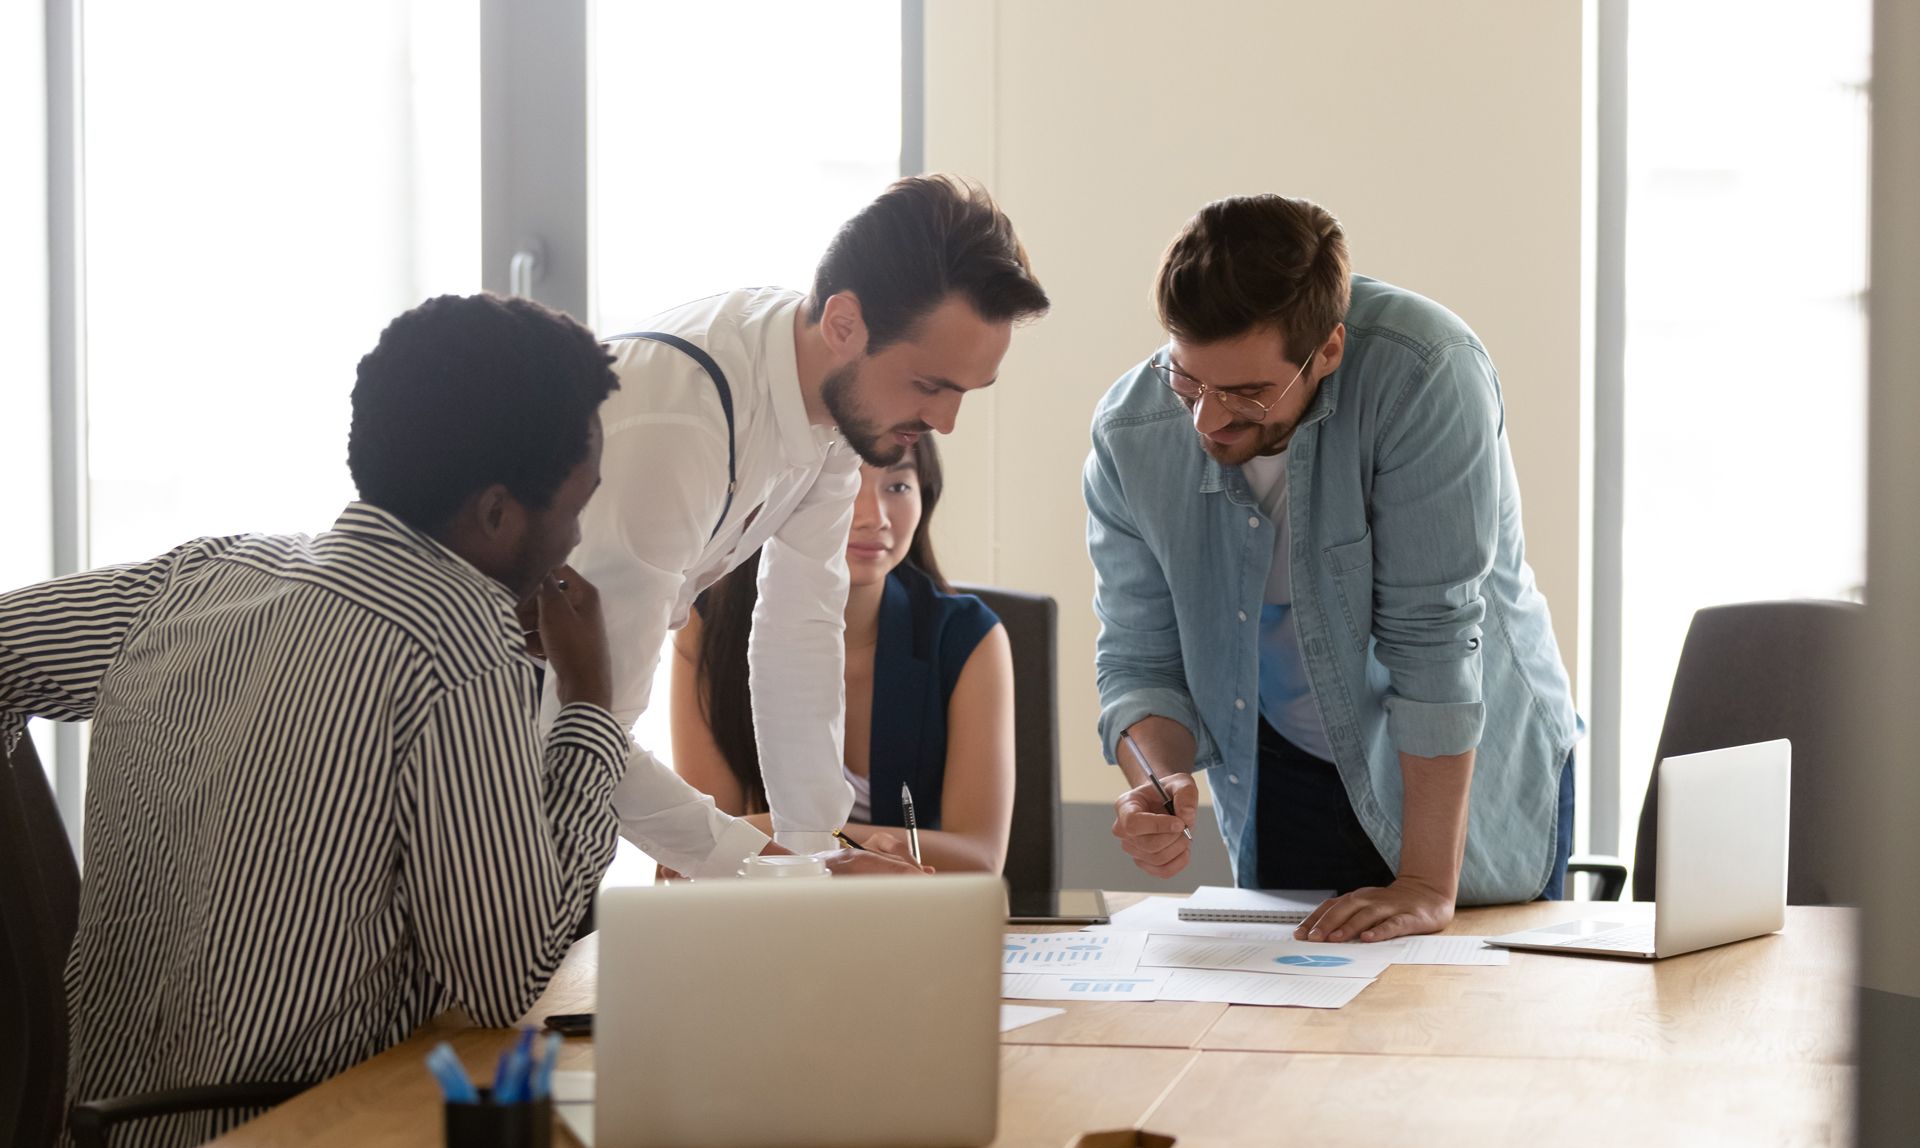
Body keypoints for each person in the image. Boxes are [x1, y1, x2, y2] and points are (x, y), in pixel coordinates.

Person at [2, 293, 627, 1148]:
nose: (579, 536)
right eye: (578, 503)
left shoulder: (207, 573)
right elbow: (503, 974)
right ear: (497, 513)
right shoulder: (454, 648)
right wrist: (590, 710)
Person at [1085, 195, 1580, 944]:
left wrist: (1422, 883)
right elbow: (1138, 657)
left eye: (1248, 393)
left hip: (1460, 772)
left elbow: (1434, 640)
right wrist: (1160, 780)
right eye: (1190, 382)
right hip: (1286, 767)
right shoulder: (1131, 431)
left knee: (1466, 1027)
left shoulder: (1426, 374)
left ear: (1329, 350)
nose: (1208, 422)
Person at [546, 174, 1047, 878]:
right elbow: (588, 725)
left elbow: (800, 632)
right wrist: (789, 872)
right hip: (460, 739)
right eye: (929, 385)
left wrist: (816, 853)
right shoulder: (680, 426)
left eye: (964, 392)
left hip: (546, 752)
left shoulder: (836, 408)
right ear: (844, 324)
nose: (944, 423)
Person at [672, 435, 1014, 873]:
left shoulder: (969, 635)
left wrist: (796, 838)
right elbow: (703, 846)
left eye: (898, 487)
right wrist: (860, 845)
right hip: (770, 917)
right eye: (845, 483)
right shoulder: (706, 625)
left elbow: (981, 859)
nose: (874, 518)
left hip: (910, 920)